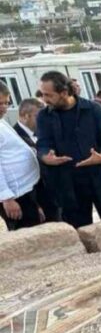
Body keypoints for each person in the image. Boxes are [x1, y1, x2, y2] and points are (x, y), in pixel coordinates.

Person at [36, 71, 101, 229]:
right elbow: (43, 143)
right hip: (69, 185)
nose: (44, 99)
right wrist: (45, 157)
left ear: (64, 92)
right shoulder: (44, 116)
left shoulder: (93, 109)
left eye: (48, 95)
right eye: (43, 95)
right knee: (79, 232)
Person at [0, 85, 48, 230]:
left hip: (27, 191)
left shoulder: (2, 121)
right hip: (15, 196)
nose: (4, 108)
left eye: (6, 103)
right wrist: (6, 198)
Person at [10, 97, 60, 223]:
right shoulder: (13, 137)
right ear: (25, 116)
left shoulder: (43, 133)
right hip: (32, 202)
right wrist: (36, 205)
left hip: (53, 197)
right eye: (38, 116)